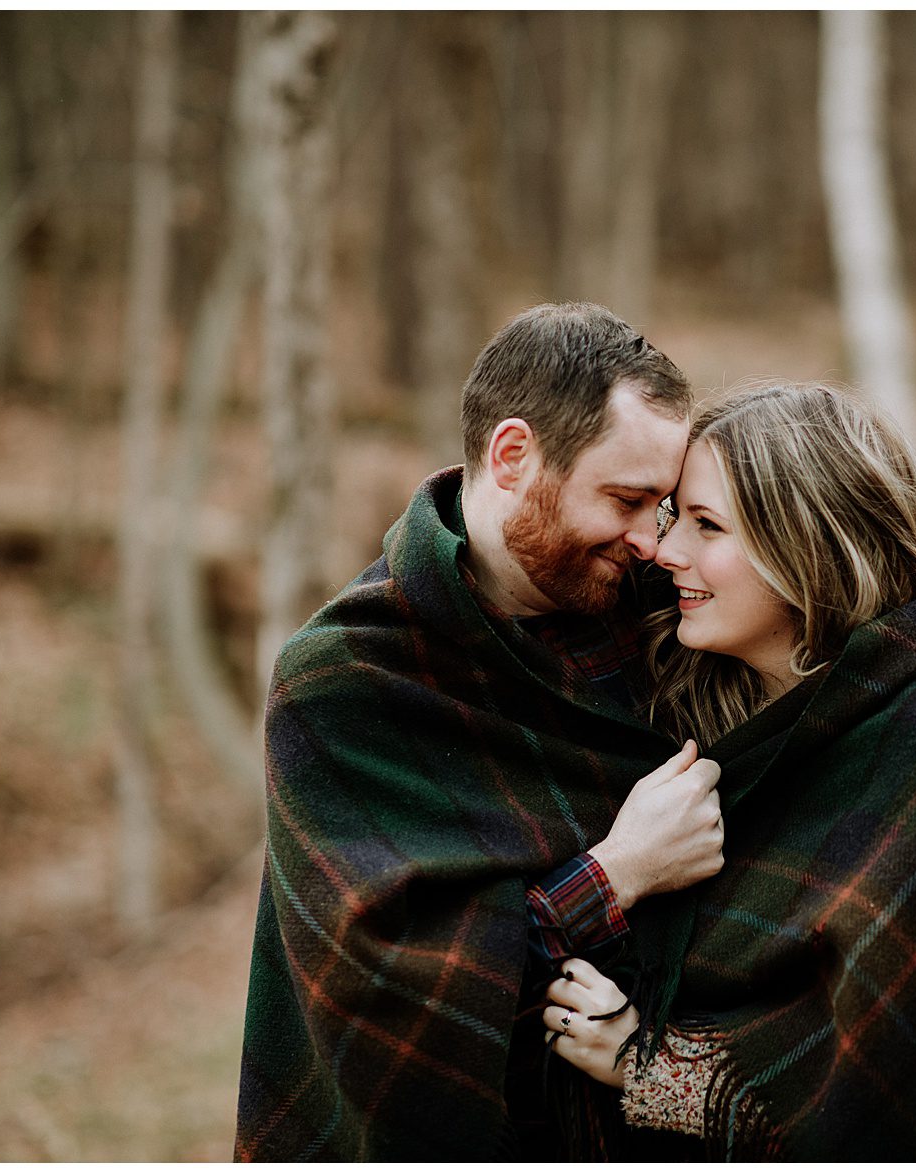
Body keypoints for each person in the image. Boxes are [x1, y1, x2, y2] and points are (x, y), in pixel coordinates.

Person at [541, 383, 916, 1160]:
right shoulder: (682, 687)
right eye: (671, 517)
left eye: (707, 524)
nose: (666, 550)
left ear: (806, 542)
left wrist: (651, 1066)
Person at [234, 303, 733, 1160]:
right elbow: (377, 993)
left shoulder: (669, 614)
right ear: (512, 457)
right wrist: (615, 876)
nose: (654, 541)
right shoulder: (345, 679)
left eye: (667, 505)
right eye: (626, 499)